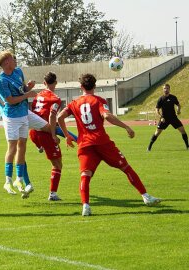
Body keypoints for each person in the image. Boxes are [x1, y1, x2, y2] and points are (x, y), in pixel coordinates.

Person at [57, 73, 161, 216]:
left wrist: (67, 135)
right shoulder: (99, 100)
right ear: (95, 86)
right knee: (126, 167)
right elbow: (107, 116)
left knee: (85, 175)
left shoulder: (74, 104)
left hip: (85, 144)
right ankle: (145, 196)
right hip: (102, 142)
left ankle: (85, 206)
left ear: (81, 87)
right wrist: (126, 127)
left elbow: (59, 117)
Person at [0, 51, 37, 198]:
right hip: (12, 117)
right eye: (12, 58)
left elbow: (23, 89)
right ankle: (7, 180)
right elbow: (10, 100)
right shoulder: (1, 80)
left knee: (22, 146)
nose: (15, 60)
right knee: (12, 148)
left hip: (23, 114)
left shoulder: (18, 71)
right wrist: (27, 95)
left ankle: (19, 179)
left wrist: (28, 87)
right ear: (6, 62)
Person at [29, 72, 63, 201]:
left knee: (55, 161)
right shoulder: (55, 98)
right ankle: (53, 194)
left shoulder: (38, 95)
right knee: (58, 164)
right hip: (45, 133)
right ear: (55, 83)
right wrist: (54, 135)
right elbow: (52, 116)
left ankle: (39, 146)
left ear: (44, 83)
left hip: (34, 132)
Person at [147, 84, 188, 151]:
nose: (166, 90)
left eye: (167, 88)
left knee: (183, 131)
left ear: (169, 89)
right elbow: (157, 110)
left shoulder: (173, 97)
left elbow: (178, 105)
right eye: (165, 88)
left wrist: (178, 110)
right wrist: (161, 117)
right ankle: (149, 147)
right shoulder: (161, 99)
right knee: (157, 133)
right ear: (163, 90)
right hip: (164, 119)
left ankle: (187, 147)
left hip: (173, 118)